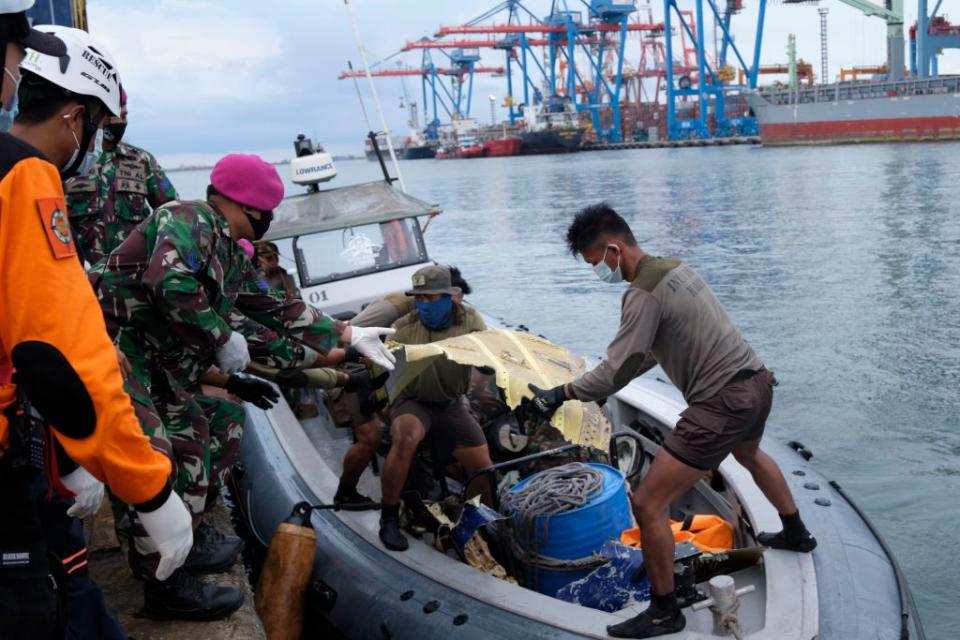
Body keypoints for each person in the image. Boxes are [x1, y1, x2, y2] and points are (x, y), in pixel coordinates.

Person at [93, 152, 396, 616]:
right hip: (113, 351)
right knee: (155, 457)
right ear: (252, 207)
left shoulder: (227, 252)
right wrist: (219, 338)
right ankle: (162, 586)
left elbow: (271, 305)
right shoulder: (189, 217)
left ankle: (181, 551)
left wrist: (345, 333)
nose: (269, 221)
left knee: (193, 441)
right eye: (267, 211)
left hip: (158, 365)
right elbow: (169, 283)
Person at [527, 203, 816, 639]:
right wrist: (603, 384)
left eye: (595, 263)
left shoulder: (641, 292)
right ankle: (797, 533)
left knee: (648, 504)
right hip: (756, 383)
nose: (597, 273)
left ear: (613, 248)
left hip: (719, 404)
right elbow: (648, 354)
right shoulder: (674, 269)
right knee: (749, 454)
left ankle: (664, 611)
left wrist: (563, 392)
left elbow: (620, 365)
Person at [0, 19, 192, 638]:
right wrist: (150, 491)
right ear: (74, 117)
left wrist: (62, 461)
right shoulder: (24, 177)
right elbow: (57, 354)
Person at [378, 265, 493, 551]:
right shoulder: (405, 327)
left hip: (451, 403)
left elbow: (488, 360)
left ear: (450, 296)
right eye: (419, 299)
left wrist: (484, 359)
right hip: (414, 400)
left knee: (483, 465)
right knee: (405, 437)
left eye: (430, 298)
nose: (424, 305)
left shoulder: (470, 319)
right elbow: (383, 366)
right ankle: (389, 516)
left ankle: (480, 521)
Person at [337, 265, 472, 506]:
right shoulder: (395, 309)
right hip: (357, 367)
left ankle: (419, 486)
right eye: (453, 298)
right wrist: (367, 374)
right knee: (372, 437)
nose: (457, 305)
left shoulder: (450, 316)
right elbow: (345, 338)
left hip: (394, 369)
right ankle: (346, 491)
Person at [65, 86, 178, 266]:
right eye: (121, 115)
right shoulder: (74, 160)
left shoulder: (142, 161)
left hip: (130, 279)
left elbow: (173, 211)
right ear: (105, 115)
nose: (124, 122)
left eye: (126, 116)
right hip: (81, 275)